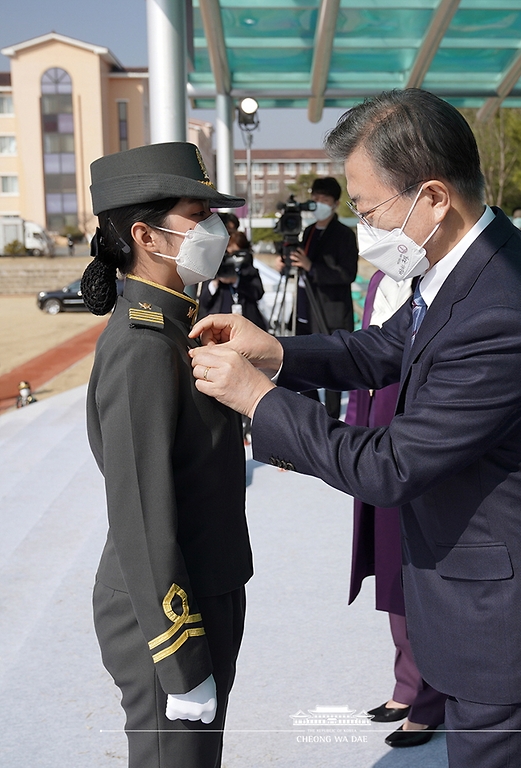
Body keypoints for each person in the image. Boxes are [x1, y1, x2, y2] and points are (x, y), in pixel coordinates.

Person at [188, 89, 521, 768]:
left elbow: (390, 466)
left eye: (370, 210)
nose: (366, 228)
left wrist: (260, 400)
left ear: (431, 197)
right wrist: (273, 350)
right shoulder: (464, 260)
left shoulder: (499, 309)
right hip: (514, 613)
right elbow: (379, 349)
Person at [81, 142, 253, 768]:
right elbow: (143, 516)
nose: (216, 229)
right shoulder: (143, 347)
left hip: (206, 584)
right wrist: (179, 660)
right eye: (197, 213)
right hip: (170, 613)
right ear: (146, 236)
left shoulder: (178, 325)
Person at [346, 270, 447, 749]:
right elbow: (365, 352)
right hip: (375, 431)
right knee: (389, 566)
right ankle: (408, 684)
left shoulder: (443, 278)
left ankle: (431, 698)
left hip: (413, 439)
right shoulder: (381, 278)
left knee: (418, 570)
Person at [277, 176, 358, 418]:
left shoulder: (343, 234)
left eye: (324, 200)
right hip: (304, 309)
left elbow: (347, 274)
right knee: (303, 362)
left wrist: (312, 266)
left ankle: (332, 416)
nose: (318, 204)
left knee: (331, 365)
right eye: (315, 199)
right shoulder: (309, 231)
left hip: (329, 312)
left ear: (335, 203)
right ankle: (314, 412)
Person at [198, 230, 267, 330]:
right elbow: (203, 301)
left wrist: (237, 281)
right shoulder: (214, 270)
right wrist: (215, 283)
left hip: (246, 323)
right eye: (230, 253)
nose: (233, 258)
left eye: (237, 254)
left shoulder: (249, 271)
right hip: (218, 324)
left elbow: (258, 293)